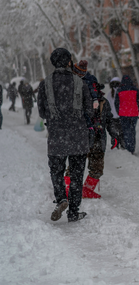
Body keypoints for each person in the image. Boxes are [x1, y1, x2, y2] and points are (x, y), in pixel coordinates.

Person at [37, 47, 93, 222]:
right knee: (76, 175)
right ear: (69, 62)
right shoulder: (79, 82)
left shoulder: (45, 84)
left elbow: (41, 112)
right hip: (78, 137)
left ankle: (61, 198)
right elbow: (89, 111)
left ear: (53, 63)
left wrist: (55, 115)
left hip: (56, 137)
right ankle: (74, 212)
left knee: (57, 171)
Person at [83, 84, 119, 198]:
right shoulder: (80, 101)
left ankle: (87, 190)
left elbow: (109, 120)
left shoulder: (104, 102)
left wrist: (114, 135)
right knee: (75, 165)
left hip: (98, 139)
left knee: (97, 167)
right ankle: (68, 189)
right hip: (82, 139)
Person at [115, 75, 139, 154]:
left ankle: (128, 148)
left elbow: (116, 102)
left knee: (126, 131)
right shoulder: (135, 90)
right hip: (133, 114)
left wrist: (118, 111)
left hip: (123, 114)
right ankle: (132, 148)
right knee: (132, 130)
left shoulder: (119, 90)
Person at [105, 77, 123, 149]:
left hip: (112, 116)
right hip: (120, 115)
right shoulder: (121, 92)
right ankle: (123, 144)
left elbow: (108, 105)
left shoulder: (109, 94)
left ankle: (115, 144)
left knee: (114, 132)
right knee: (121, 131)